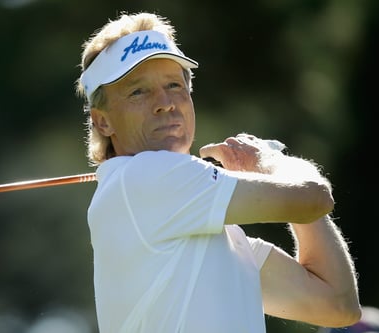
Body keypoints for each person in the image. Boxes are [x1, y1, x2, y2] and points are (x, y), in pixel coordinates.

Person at [75, 12, 361, 333]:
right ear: (103, 121)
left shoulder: (221, 238)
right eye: (138, 91)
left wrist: (279, 178)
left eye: (174, 85)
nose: (165, 103)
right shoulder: (144, 175)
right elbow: (314, 197)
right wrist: (269, 162)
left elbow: (339, 305)